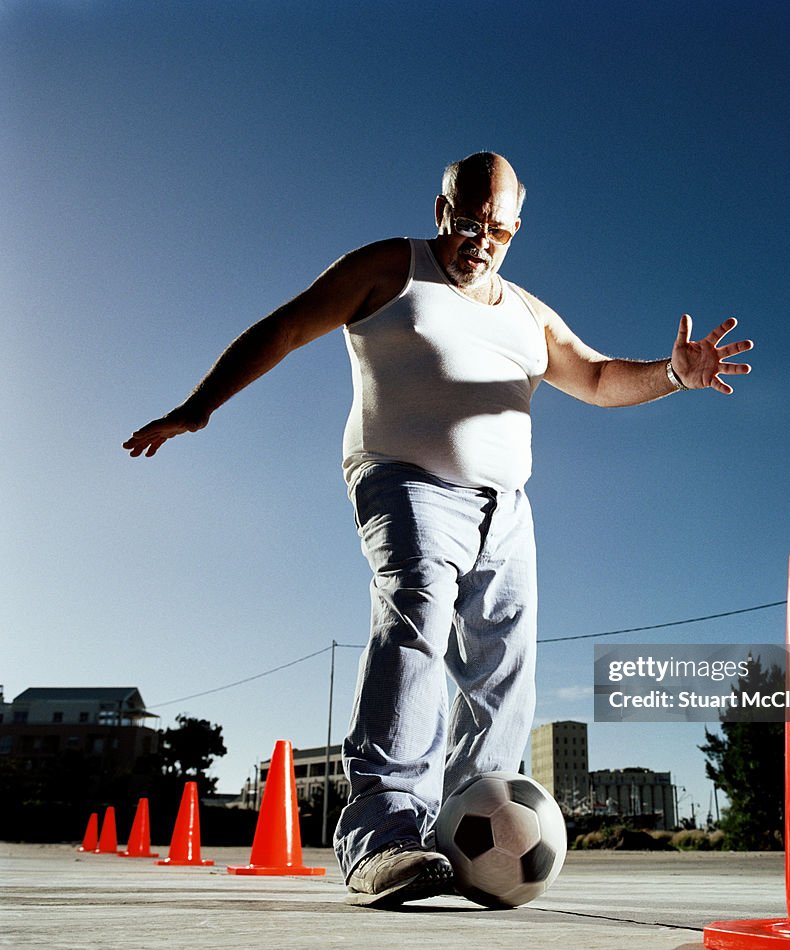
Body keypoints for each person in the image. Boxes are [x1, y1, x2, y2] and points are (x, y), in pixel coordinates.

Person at [124, 151, 753, 907]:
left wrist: (674, 373)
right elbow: (288, 327)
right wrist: (199, 407)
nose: (478, 240)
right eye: (466, 220)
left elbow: (594, 377)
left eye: (496, 228)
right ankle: (382, 838)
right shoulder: (391, 268)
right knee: (417, 615)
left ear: (515, 229)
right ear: (439, 211)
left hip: (507, 510)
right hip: (403, 478)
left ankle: (468, 836)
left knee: (502, 666)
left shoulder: (529, 312)